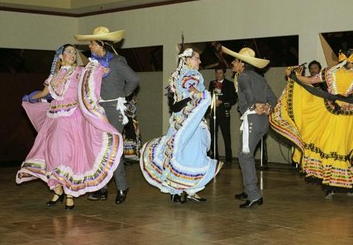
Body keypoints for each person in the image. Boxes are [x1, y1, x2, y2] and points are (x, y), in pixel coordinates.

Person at [270, 48, 353, 198]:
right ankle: (346, 185)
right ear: (352, 62)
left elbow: (308, 81)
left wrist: (294, 75)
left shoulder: (330, 72)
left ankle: (331, 187)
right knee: (347, 149)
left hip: (333, 116)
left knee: (331, 147)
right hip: (351, 119)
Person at [16, 44, 124, 210]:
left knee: (69, 154)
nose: (73, 54)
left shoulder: (80, 71)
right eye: (69, 52)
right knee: (52, 153)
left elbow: (98, 73)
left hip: (72, 118)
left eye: (74, 52)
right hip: (53, 120)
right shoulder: (54, 76)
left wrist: (102, 66)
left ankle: (69, 194)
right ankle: (57, 190)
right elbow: (45, 93)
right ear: (61, 56)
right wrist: (31, 97)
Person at [140, 48, 222, 203]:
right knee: (194, 154)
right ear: (188, 60)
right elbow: (191, 87)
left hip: (179, 121)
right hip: (191, 122)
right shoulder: (192, 74)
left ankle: (178, 191)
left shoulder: (177, 75)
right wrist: (201, 95)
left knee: (178, 154)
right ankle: (188, 189)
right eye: (197, 58)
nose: (200, 61)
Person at [74, 26, 140, 205]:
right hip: (97, 109)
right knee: (98, 148)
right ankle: (101, 188)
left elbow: (134, 79)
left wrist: (122, 95)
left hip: (113, 108)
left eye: (92, 43)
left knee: (113, 148)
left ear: (101, 44)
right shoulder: (92, 63)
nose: (89, 46)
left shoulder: (117, 62)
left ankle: (121, 186)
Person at [221, 46, 277, 208]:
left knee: (245, 156)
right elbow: (273, 98)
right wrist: (268, 107)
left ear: (242, 63)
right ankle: (248, 190)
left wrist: (255, 105)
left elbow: (248, 93)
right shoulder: (260, 78)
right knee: (247, 155)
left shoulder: (243, 76)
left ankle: (253, 195)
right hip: (262, 121)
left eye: (235, 60)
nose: (232, 63)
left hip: (252, 119)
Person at [208, 68, 237, 163]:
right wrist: (212, 102)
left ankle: (228, 158)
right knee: (212, 134)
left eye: (220, 73)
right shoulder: (212, 83)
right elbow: (209, 96)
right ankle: (214, 156)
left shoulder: (229, 84)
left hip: (224, 112)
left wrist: (222, 102)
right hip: (214, 113)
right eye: (217, 73)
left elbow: (233, 99)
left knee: (226, 135)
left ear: (224, 74)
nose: (218, 75)